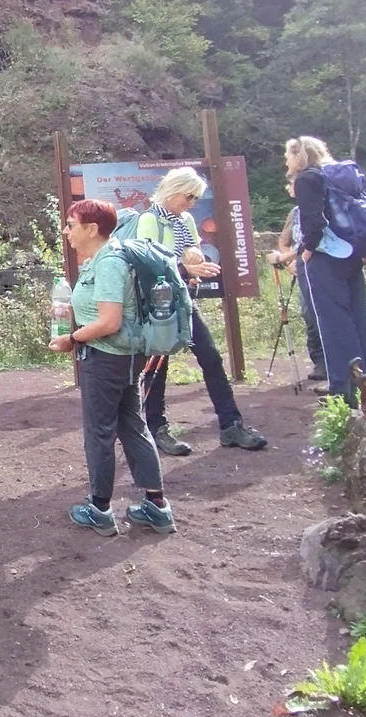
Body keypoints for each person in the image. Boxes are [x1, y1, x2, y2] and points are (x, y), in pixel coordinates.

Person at [48, 199, 174, 537]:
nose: (66, 231)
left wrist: (71, 338)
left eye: (71, 224)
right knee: (132, 426)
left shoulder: (108, 263)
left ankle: (100, 509)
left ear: (92, 229)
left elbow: (109, 322)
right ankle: (156, 506)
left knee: (99, 432)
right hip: (123, 358)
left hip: (105, 358)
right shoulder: (103, 259)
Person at [127, 168, 267, 455]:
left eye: (195, 198)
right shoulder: (149, 220)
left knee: (211, 358)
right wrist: (184, 267)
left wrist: (194, 256)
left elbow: (194, 249)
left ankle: (231, 425)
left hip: (183, 299)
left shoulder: (186, 219)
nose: (191, 203)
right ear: (173, 190)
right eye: (189, 197)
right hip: (157, 305)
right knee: (157, 366)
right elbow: (149, 265)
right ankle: (156, 430)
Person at [289, 136, 366, 404]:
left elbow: (313, 223)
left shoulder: (307, 179)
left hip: (325, 257)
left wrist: (306, 251)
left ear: (300, 154)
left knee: (334, 322)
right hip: (352, 253)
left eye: (288, 155)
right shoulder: (341, 176)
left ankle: (345, 389)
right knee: (359, 318)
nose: (286, 161)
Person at [269, 176, 327, 383]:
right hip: (302, 270)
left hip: (322, 268)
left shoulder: (322, 209)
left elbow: (309, 241)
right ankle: (320, 362)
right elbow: (285, 242)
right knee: (309, 315)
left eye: (291, 183)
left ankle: (339, 363)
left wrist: (291, 257)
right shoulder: (294, 214)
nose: (288, 187)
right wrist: (290, 262)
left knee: (325, 315)